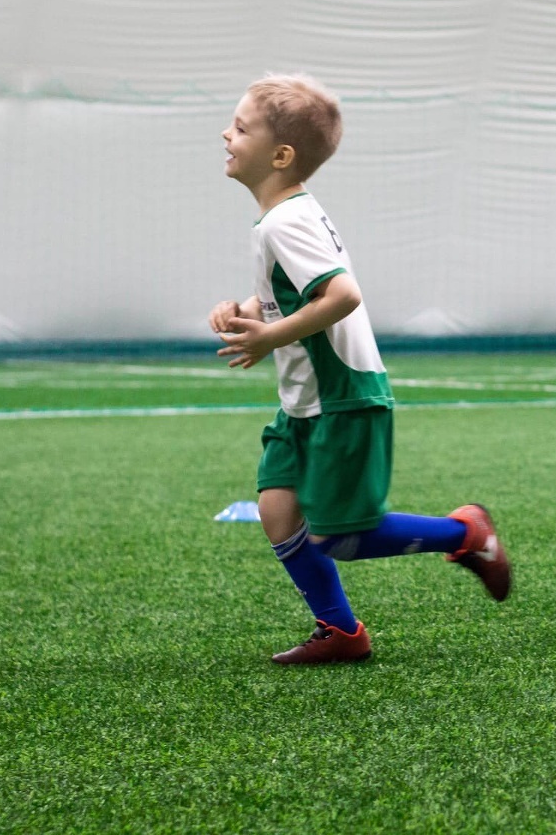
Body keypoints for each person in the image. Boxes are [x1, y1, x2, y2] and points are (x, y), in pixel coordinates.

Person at [210, 74, 511, 665]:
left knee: (339, 536)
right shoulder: (284, 216)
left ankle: (468, 534)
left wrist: (268, 335)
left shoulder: (285, 221)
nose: (226, 132)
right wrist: (246, 312)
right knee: (278, 510)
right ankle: (343, 633)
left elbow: (343, 295)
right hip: (306, 402)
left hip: (343, 397)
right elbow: (297, 295)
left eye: (240, 127)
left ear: (281, 155)